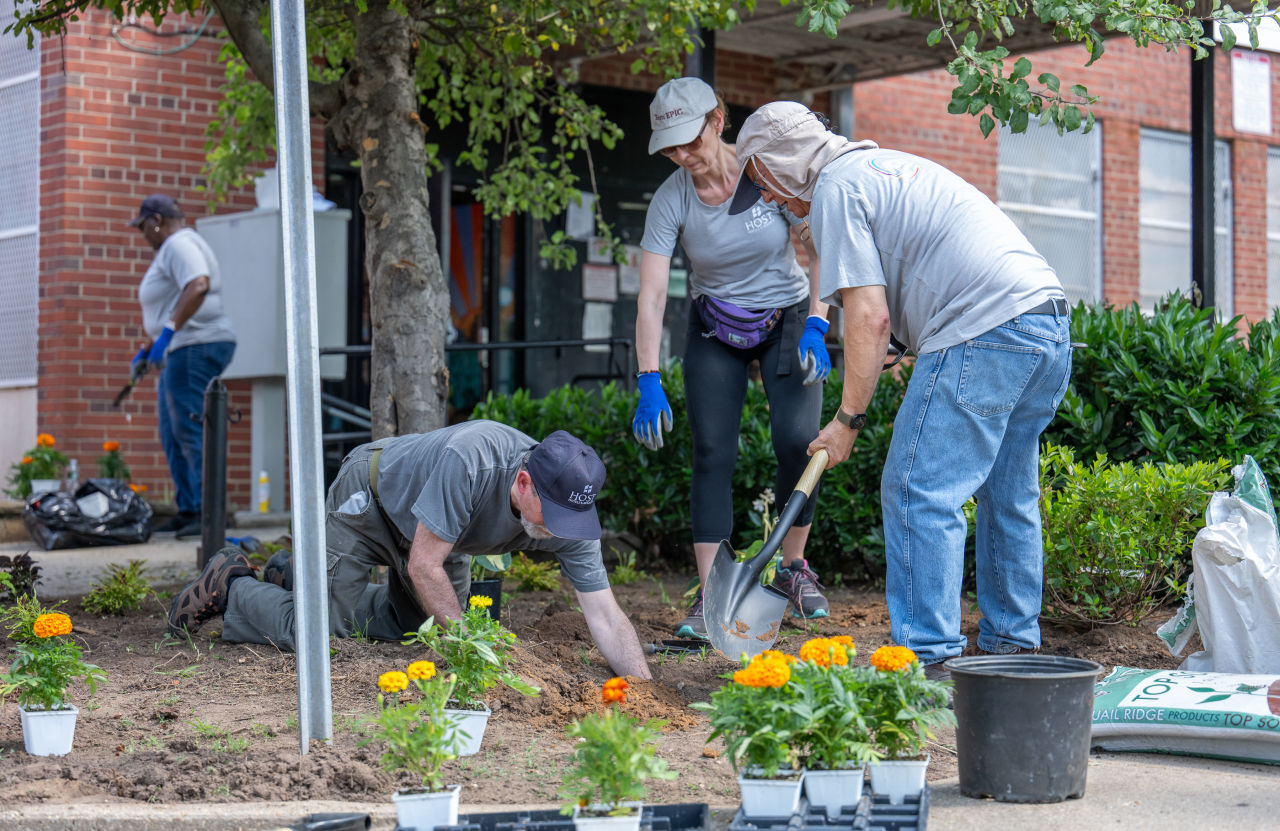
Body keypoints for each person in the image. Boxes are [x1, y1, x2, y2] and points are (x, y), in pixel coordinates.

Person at [728, 102, 1073, 679]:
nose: (766, 199)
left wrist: (847, 420)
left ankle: (930, 662)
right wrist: (906, 340)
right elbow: (923, 268)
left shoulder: (835, 186)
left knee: (917, 490)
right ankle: (1013, 648)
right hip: (1045, 322)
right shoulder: (883, 166)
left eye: (762, 182)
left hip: (983, 328)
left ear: (785, 162)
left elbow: (868, 317)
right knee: (1007, 490)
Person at [166, 421, 652, 679]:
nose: (563, 530)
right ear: (524, 483)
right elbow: (423, 567)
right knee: (324, 632)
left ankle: (293, 574)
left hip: (439, 537)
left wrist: (644, 689)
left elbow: (606, 617)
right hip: (372, 502)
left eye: (573, 520)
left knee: (412, 627)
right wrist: (473, 660)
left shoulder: (568, 509)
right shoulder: (473, 461)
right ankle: (234, 585)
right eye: (556, 517)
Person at [633, 77, 832, 640]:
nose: (681, 155)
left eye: (689, 140)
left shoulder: (763, 171)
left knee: (797, 441)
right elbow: (651, 296)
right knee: (711, 451)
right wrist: (648, 377)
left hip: (786, 320)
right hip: (716, 327)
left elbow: (816, 249)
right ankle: (713, 592)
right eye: (669, 147)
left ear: (718, 120)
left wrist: (818, 320)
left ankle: (794, 568)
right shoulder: (671, 197)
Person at [127, 194, 237, 539]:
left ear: (156, 220)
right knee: (172, 431)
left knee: (189, 429)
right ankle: (190, 507)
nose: (143, 235)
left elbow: (198, 284)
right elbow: (172, 306)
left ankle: (209, 514)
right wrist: (149, 347)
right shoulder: (173, 247)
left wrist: (169, 333)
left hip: (195, 347)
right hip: (181, 347)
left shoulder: (178, 244)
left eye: (143, 226)